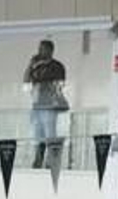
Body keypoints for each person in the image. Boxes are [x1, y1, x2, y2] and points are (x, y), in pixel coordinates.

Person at [24, 40, 68, 169]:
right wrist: (30, 65)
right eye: (39, 49)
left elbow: (59, 86)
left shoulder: (57, 66)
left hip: (49, 105)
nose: (39, 52)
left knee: (50, 133)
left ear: (50, 50)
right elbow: (26, 83)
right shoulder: (36, 66)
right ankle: (38, 159)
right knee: (38, 134)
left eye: (42, 49)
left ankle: (51, 161)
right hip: (36, 104)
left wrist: (45, 86)